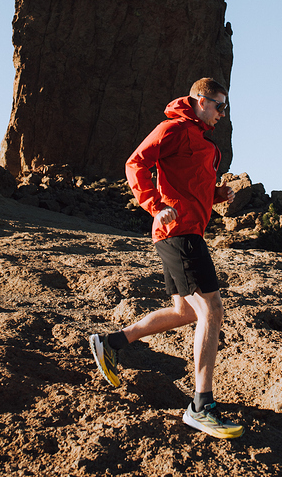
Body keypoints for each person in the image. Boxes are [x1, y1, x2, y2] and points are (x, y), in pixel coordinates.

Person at [89, 77, 244, 439]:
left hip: (188, 231)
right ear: (200, 101)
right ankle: (201, 407)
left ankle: (110, 343)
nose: (224, 113)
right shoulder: (172, 128)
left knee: (185, 312)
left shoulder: (200, 139)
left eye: (226, 107)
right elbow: (136, 164)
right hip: (179, 233)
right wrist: (155, 207)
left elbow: (191, 185)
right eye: (220, 105)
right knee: (212, 310)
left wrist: (218, 194)